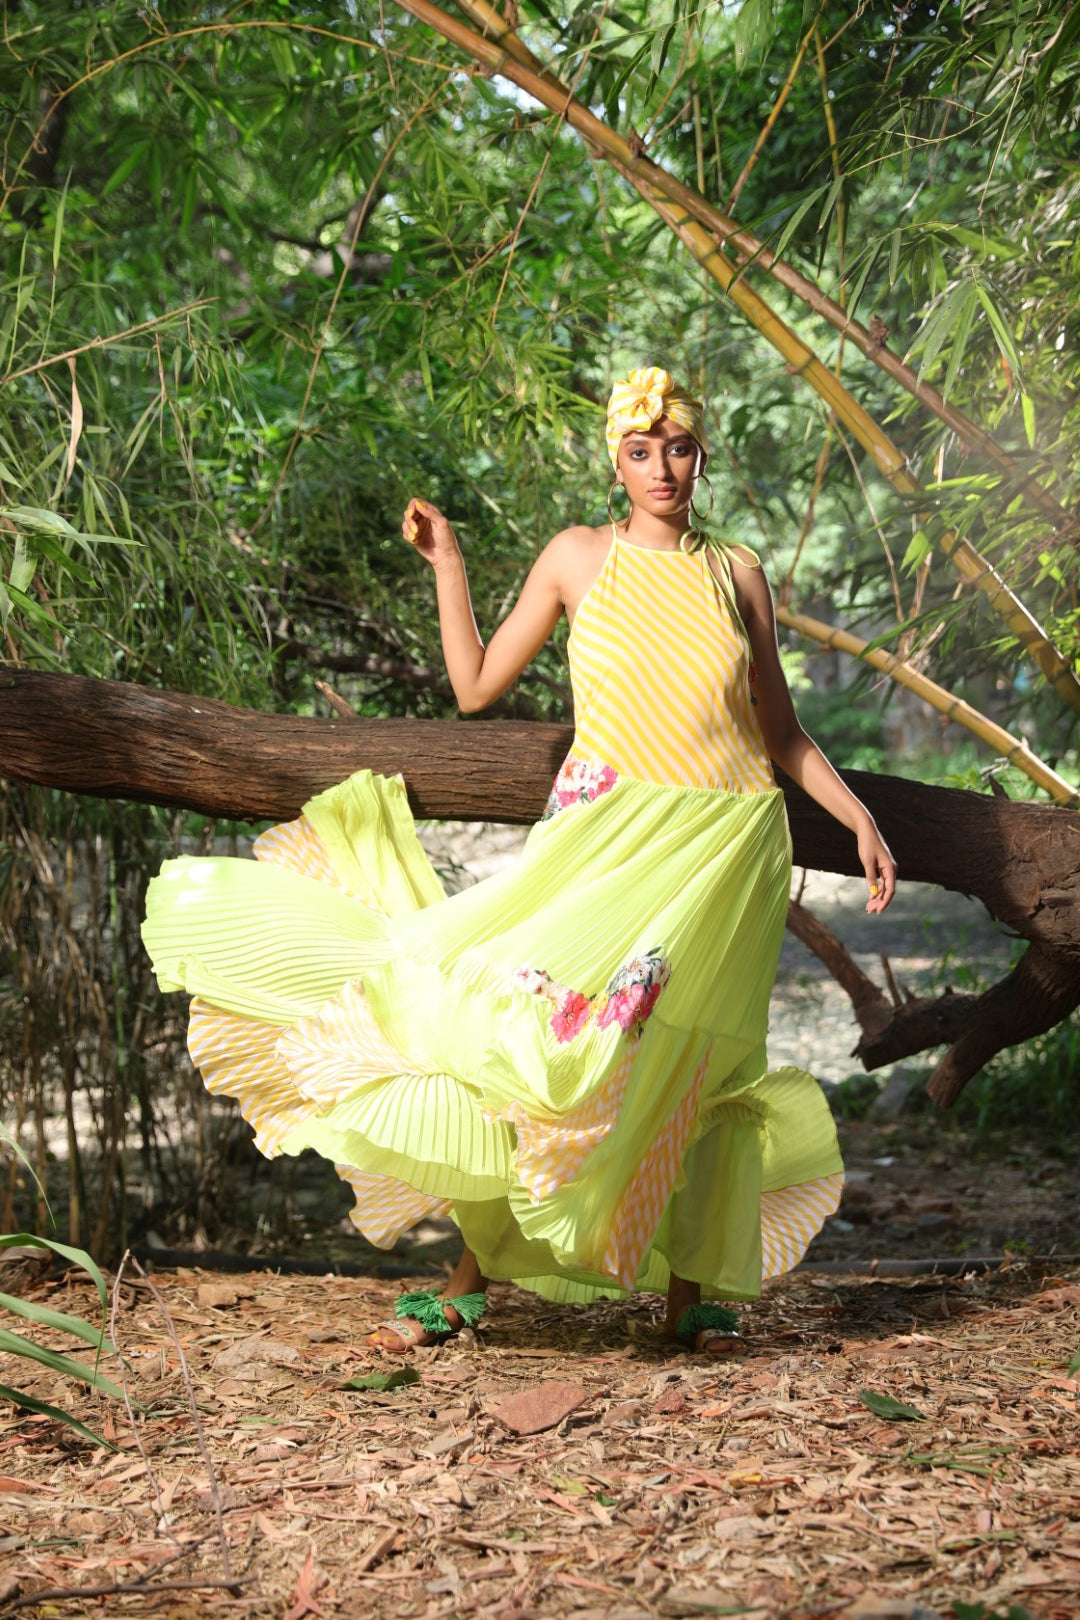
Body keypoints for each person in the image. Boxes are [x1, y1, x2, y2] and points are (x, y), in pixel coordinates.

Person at [143, 365, 896, 1357]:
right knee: (553, 1043)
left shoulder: (737, 571)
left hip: (728, 844)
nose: (662, 469)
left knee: (706, 1058)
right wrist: (448, 563)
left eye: (678, 448)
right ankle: (469, 1275)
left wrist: (860, 819)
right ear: (615, 462)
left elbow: (782, 732)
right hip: (609, 839)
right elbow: (474, 688)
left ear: (701, 455)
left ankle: (691, 1297)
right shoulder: (579, 559)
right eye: (640, 452)